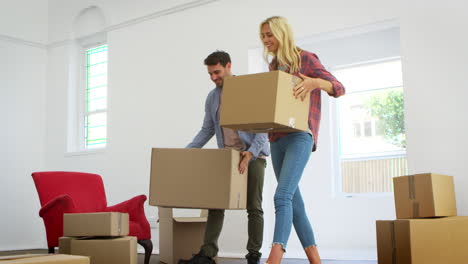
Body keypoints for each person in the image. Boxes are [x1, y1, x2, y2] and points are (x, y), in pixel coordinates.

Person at [259, 16, 345, 264]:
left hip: (299, 136)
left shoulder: (305, 58)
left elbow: (339, 88)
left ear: (282, 33)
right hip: (276, 139)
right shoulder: (274, 66)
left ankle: (275, 256)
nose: (266, 40)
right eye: (262, 36)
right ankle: (316, 260)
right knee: (294, 201)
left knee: (281, 195)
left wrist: (314, 82)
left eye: (269, 34)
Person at [179, 51, 270, 264]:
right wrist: (188, 151)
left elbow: (264, 124)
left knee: (254, 206)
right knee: (215, 204)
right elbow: (207, 129)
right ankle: (207, 254)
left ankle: (253, 255)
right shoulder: (212, 97)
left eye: (217, 72)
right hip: (227, 157)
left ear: (229, 65)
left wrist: (252, 152)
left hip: (254, 156)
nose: (213, 77)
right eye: (210, 74)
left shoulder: (249, 88)